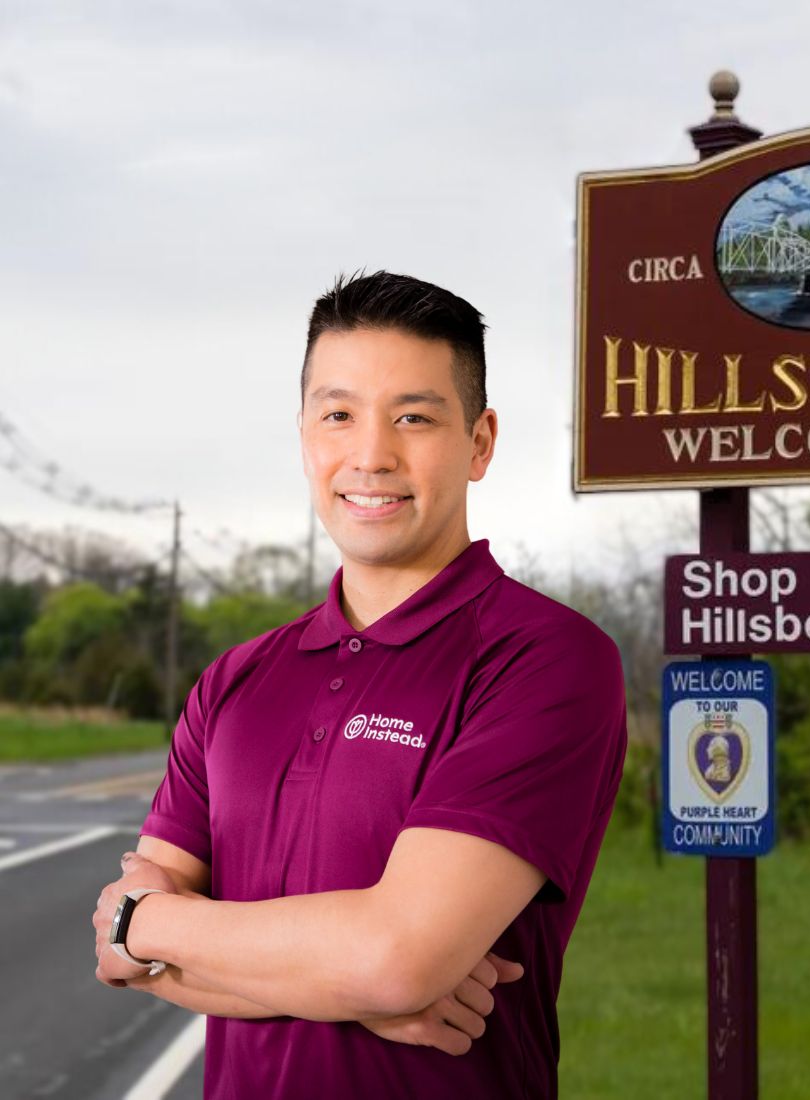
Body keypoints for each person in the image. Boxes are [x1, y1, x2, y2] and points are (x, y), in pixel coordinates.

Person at [90, 270, 628, 1098]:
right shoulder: (234, 682)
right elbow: (116, 960)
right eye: (339, 415)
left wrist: (150, 924)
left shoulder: (546, 658)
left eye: (414, 417)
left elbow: (394, 958)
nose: (371, 455)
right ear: (304, 434)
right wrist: (354, 989)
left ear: (480, 442)